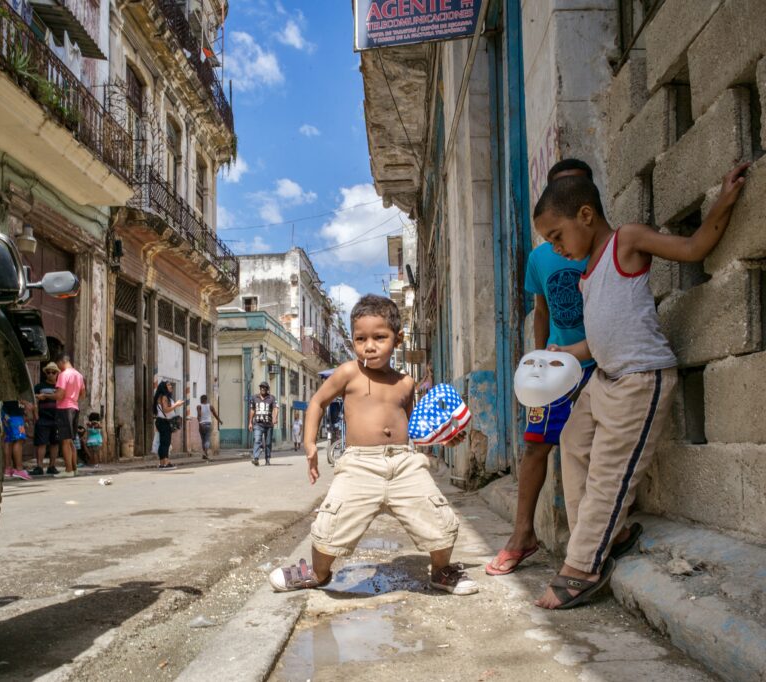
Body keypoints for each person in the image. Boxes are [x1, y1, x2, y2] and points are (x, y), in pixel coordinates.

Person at [531, 162, 749, 609]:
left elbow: (693, 247)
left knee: (611, 472)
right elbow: (601, 338)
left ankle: (583, 568)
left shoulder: (624, 241)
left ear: (586, 216)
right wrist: (562, 354)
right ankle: (609, 534)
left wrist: (724, 200)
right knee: (571, 443)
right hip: (605, 378)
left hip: (640, 379)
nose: (556, 247)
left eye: (557, 236)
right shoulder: (588, 269)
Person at [268, 294, 477, 595]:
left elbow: (415, 428)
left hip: (404, 463)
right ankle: (317, 572)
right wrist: (310, 444)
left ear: (398, 338)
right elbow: (318, 401)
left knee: (437, 519)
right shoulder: (349, 372)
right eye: (360, 338)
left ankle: (442, 570)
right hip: (359, 465)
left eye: (379, 337)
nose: (369, 345)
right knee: (331, 526)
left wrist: (444, 437)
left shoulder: (406, 382)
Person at [487, 159, 600, 576]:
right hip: (557, 368)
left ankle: (595, 536)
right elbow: (540, 309)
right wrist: (538, 362)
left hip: (601, 362)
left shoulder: (602, 246)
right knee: (536, 444)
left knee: (593, 450)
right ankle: (522, 536)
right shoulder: (540, 256)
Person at [54, 355, 85, 478]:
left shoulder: (63, 375)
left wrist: (46, 396)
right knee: (71, 440)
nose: (58, 368)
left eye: (58, 365)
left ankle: (68, 470)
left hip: (64, 409)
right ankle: (74, 468)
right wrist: (73, 398)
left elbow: (60, 395)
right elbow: (83, 393)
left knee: (65, 441)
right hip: (75, 407)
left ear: (62, 362)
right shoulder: (79, 375)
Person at [30, 362, 62, 476]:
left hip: (57, 418)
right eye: (48, 372)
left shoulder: (60, 387)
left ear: (57, 373)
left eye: (53, 372)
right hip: (43, 417)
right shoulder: (39, 386)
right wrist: (35, 415)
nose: (51, 374)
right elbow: (33, 401)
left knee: (54, 443)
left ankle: (52, 466)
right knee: (41, 443)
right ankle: (39, 466)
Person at [153, 380, 186, 470]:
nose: (171, 386)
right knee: (165, 443)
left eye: (171, 385)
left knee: (164, 442)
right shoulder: (164, 397)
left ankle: (163, 463)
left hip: (162, 421)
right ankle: (165, 463)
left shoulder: (161, 397)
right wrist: (176, 405)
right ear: (164, 387)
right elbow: (166, 410)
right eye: (168, 385)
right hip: (164, 422)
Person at [248, 381, 278, 466]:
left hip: (268, 424)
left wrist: (275, 418)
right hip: (258, 424)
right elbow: (252, 410)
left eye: (264, 387)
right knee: (257, 440)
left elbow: (276, 408)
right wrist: (250, 422)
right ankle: (256, 458)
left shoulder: (271, 398)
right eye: (261, 387)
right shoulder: (254, 398)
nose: (262, 388)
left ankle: (267, 459)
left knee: (268, 443)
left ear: (267, 389)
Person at [1, 400, 31, 480]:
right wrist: (26, 403)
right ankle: (19, 469)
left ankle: (7, 468)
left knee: (8, 439)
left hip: (6, 412)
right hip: (15, 414)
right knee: (19, 440)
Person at [196, 395, 222, 460]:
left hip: (202, 424)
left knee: (203, 440)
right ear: (206, 399)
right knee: (207, 439)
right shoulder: (210, 406)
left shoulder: (199, 406)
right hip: (208, 424)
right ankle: (205, 453)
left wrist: (200, 422)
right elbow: (215, 414)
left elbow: (199, 415)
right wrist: (220, 421)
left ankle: (205, 454)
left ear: (201, 400)